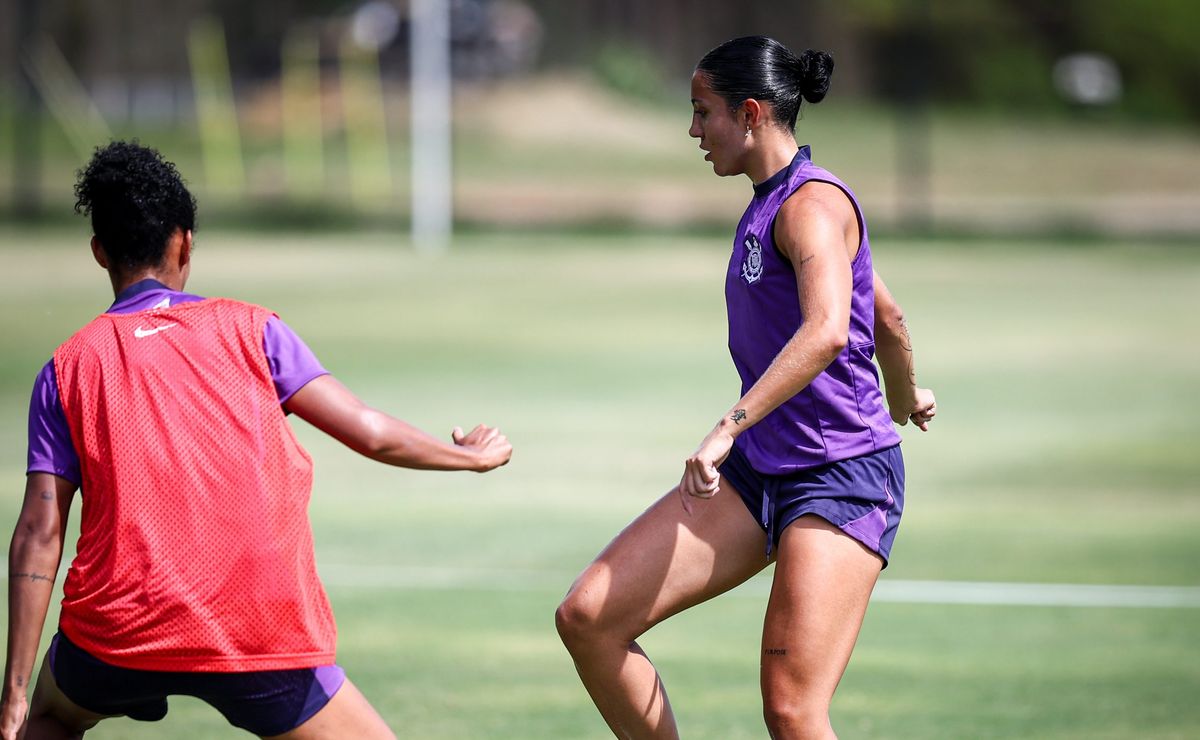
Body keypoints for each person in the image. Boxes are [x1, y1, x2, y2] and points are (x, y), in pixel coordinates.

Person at [0, 141, 512, 740]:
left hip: (116, 635)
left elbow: (38, 533)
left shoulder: (66, 368)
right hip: (256, 632)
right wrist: (469, 456)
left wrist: (15, 692)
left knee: (52, 716)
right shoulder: (253, 330)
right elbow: (371, 434)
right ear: (184, 243)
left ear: (98, 252)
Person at [555, 36, 936, 739]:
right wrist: (906, 391)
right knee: (589, 617)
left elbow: (828, 330)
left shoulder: (811, 206)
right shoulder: (770, 202)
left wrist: (726, 427)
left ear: (751, 113)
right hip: (763, 468)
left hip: (840, 474)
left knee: (792, 710)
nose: (693, 130)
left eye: (704, 112)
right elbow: (883, 311)